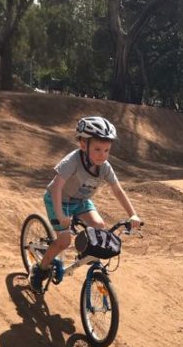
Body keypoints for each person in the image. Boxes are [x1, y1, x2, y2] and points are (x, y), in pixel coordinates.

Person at [29, 116, 141, 293]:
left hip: (80, 201)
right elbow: (57, 188)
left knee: (99, 226)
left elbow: (118, 190)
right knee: (64, 241)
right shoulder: (72, 161)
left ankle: (81, 256)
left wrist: (132, 214)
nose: (102, 155)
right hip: (58, 199)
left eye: (106, 150)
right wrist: (60, 215)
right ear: (83, 144)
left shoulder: (104, 167)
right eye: (97, 149)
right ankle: (39, 271)